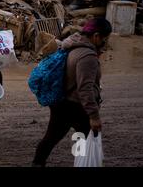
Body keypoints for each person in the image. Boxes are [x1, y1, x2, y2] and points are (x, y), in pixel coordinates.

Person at [32, 17, 112, 167]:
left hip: (61, 102)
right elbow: (85, 89)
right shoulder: (87, 56)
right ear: (96, 36)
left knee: (51, 137)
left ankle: (37, 163)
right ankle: (81, 162)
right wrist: (94, 116)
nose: (105, 43)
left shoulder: (72, 44)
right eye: (104, 39)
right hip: (76, 106)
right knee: (85, 136)